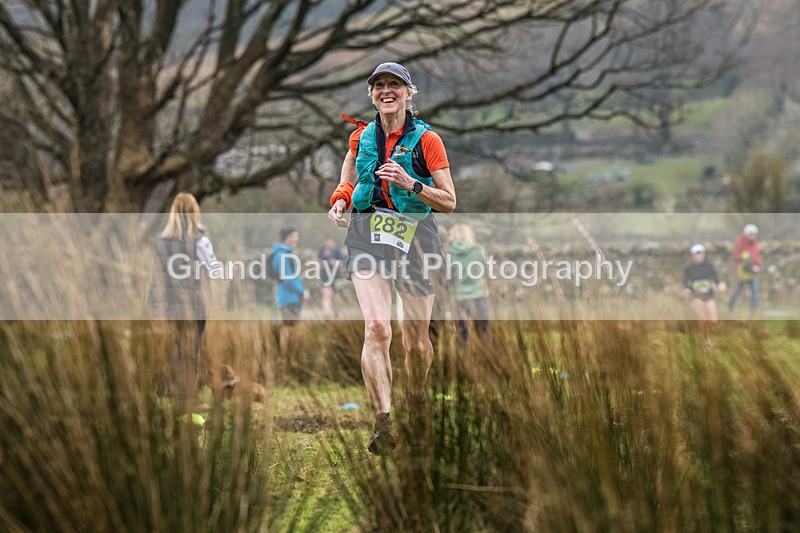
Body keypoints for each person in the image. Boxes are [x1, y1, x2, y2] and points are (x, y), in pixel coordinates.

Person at [327, 61, 456, 455]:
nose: (387, 91)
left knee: (415, 341)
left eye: (394, 85)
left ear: (408, 93)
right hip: (367, 236)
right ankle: (383, 423)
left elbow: (449, 201)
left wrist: (410, 182)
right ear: (371, 94)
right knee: (377, 328)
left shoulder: (427, 140)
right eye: (379, 85)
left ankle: (416, 402)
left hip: (416, 238)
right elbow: (348, 178)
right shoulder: (360, 138)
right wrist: (341, 200)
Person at [152, 192, 217, 401]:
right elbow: (214, 269)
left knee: (180, 345)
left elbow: (157, 274)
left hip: (168, 304)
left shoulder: (160, 241)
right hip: (194, 303)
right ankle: (187, 393)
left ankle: (167, 384)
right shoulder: (200, 241)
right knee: (192, 348)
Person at [447, 224, 490, 344]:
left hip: (460, 298)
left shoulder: (449, 254)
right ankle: (486, 361)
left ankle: (464, 361)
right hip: (480, 296)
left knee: (463, 337)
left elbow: (449, 279)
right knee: (484, 335)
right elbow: (486, 270)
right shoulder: (479, 250)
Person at [272, 227, 309, 353]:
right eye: (294, 236)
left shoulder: (284, 254)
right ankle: (286, 355)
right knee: (288, 327)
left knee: (290, 326)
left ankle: (288, 353)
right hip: (289, 297)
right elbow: (288, 279)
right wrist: (302, 291)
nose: (297, 239)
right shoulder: (282, 255)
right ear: (287, 237)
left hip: (290, 297)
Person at [684, 243, 726, 350]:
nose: (698, 256)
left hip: (709, 297)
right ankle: (706, 341)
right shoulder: (689, 269)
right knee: (703, 319)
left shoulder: (709, 266)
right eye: (696, 254)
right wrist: (686, 290)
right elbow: (686, 284)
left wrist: (720, 285)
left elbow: (716, 279)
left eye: (700, 254)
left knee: (713, 321)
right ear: (693, 256)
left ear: (703, 255)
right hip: (695, 298)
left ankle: (707, 336)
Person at [728, 224, 761, 312]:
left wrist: (757, 266)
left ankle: (753, 309)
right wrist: (744, 258)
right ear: (747, 234)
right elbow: (736, 256)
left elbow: (757, 257)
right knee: (738, 290)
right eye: (751, 234)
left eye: (754, 234)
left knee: (754, 290)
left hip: (752, 271)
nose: (753, 236)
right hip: (742, 271)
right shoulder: (740, 243)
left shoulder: (756, 244)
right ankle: (731, 304)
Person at [317, 236, 345, 318]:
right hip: (325, 276)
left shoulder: (337, 252)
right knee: (326, 295)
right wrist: (319, 264)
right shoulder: (322, 250)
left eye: (331, 242)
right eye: (328, 242)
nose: (329, 244)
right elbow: (318, 260)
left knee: (336, 297)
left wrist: (335, 262)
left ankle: (337, 314)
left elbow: (343, 262)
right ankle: (327, 315)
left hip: (336, 277)